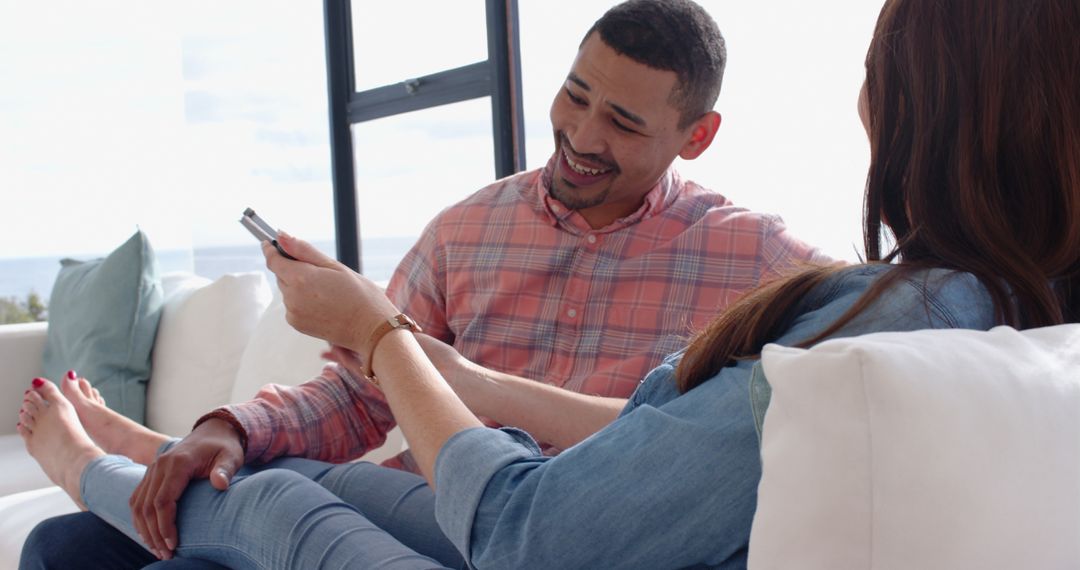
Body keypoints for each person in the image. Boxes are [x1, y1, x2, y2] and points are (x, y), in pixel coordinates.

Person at [22, 0, 1080, 567]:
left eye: (623, 121)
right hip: (453, 503)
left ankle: (101, 460)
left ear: (695, 134)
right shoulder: (467, 228)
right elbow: (352, 393)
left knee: (226, 520)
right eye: (574, 97)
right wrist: (232, 427)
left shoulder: (783, 274)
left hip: (527, 520)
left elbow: (561, 513)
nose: (579, 134)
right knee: (163, 517)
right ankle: (150, 458)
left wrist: (395, 344)